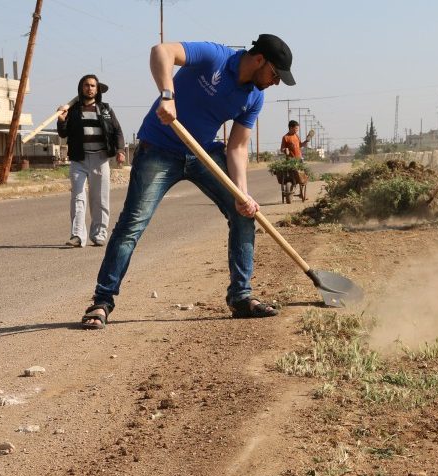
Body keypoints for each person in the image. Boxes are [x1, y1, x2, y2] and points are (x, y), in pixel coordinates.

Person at [78, 34, 296, 329]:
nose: (276, 82)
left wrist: (241, 194)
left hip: (202, 153)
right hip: (158, 149)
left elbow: (238, 147)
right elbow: (161, 51)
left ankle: (241, 296)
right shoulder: (215, 57)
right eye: (275, 74)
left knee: (244, 213)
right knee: (132, 224)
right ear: (259, 60)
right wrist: (167, 95)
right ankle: (102, 301)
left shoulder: (255, 96)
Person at [56, 75, 125, 248]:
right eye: (86, 85)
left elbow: (117, 131)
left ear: (97, 89)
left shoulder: (106, 110)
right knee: (78, 197)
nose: (90, 88)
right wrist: (61, 120)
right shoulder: (72, 110)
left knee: (100, 198)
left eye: (93, 85)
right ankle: (78, 235)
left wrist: (120, 150)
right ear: (81, 88)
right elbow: (63, 134)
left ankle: (99, 234)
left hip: (100, 159)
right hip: (79, 159)